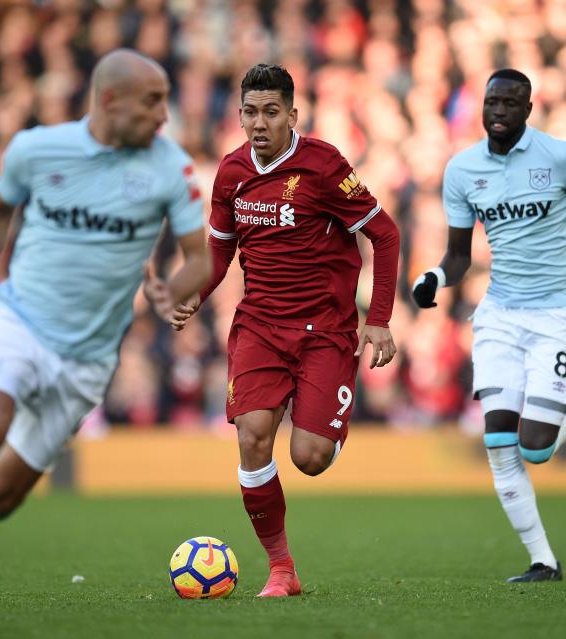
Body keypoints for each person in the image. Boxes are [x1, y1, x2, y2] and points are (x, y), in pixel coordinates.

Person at [0, 49, 210, 626]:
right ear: (109, 101)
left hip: (89, 359)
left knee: (0, 496)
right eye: (152, 102)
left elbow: (199, 257)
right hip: (18, 321)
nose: (163, 116)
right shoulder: (36, 149)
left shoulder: (170, 168)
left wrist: (171, 291)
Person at [411, 69, 566, 583]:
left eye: (509, 103)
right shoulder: (462, 170)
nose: (498, 112)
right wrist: (434, 277)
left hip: (557, 314)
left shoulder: (561, 156)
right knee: (499, 444)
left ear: (527, 109)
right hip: (499, 315)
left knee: (536, 449)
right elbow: (458, 257)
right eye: (490, 103)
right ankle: (543, 560)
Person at [171, 64, 400, 597]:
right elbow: (221, 249)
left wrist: (381, 320)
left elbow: (384, 236)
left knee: (309, 458)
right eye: (250, 112)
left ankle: (330, 417)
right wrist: (194, 294)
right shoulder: (230, 173)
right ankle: (281, 569)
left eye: (271, 112)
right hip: (259, 325)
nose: (258, 123)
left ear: (292, 115)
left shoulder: (323, 167)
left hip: (325, 329)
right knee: (252, 434)